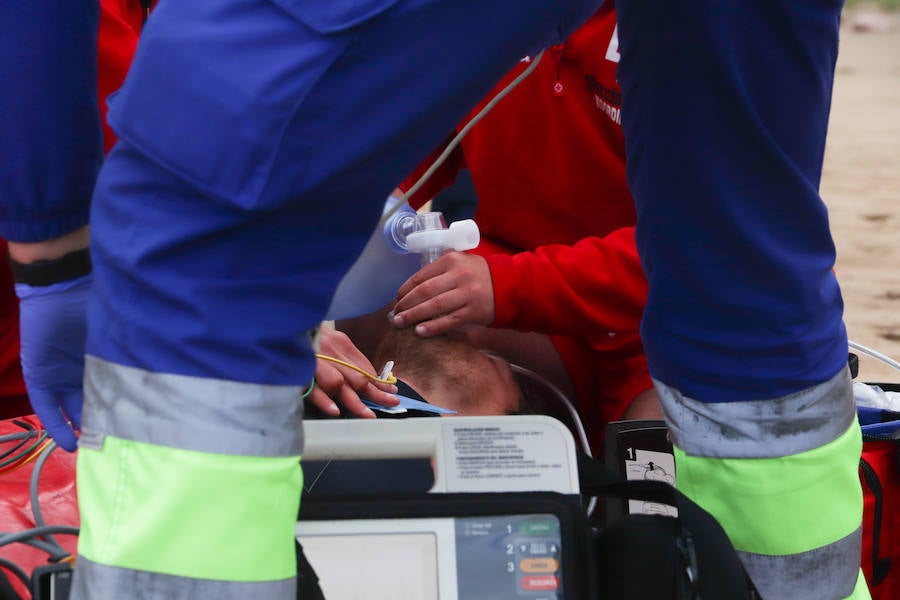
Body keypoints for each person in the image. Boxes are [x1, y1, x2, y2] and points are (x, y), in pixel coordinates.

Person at [4, 1, 866, 599]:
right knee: (743, 251)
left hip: (621, 325)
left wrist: (51, 255)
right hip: (634, 313)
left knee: (190, 248)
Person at [368, 7, 659, 453]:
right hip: (518, 298)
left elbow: (706, 249)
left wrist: (509, 286)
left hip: (658, 324)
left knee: (658, 491)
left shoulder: (693, 28)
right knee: (384, 300)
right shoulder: (474, 21)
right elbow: (385, 163)